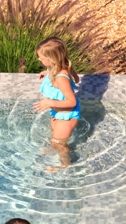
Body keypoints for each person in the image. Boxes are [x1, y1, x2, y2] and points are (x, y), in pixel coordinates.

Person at [32, 37, 80, 173]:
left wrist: (49, 103)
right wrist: (49, 72)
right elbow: (76, 79)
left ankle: (65, 164)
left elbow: (72, 102)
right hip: (58, 112)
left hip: (67, 115)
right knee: (54, 135)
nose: (39, 59)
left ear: (52, 59)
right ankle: (55, 147)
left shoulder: (61, 78)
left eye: (41, 58)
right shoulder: (61, 67)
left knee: (59, 144)